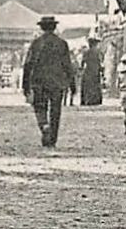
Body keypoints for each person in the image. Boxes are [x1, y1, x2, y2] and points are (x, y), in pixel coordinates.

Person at [22, 16, 76, 148]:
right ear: (54, 27)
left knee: (40, 107)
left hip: (39, 81)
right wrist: (72, 84)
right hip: (57, 82)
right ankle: (52, 139)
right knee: (55, 111)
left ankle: (44, 125)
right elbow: (68, 65)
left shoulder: (36, 43)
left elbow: (28, 65)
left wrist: (25, 85)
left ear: (41, 27)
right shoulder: (62, 44)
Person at [78, 36, 104, 107]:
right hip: (95, 71)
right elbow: (100, 62)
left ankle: (87, 100)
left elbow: (82, 62)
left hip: (88, 71)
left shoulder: (86, 52)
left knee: (87, 86)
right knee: (95, 86)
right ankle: (95, 100)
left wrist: (81, 68)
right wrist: (101, 71)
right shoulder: (98, 52)